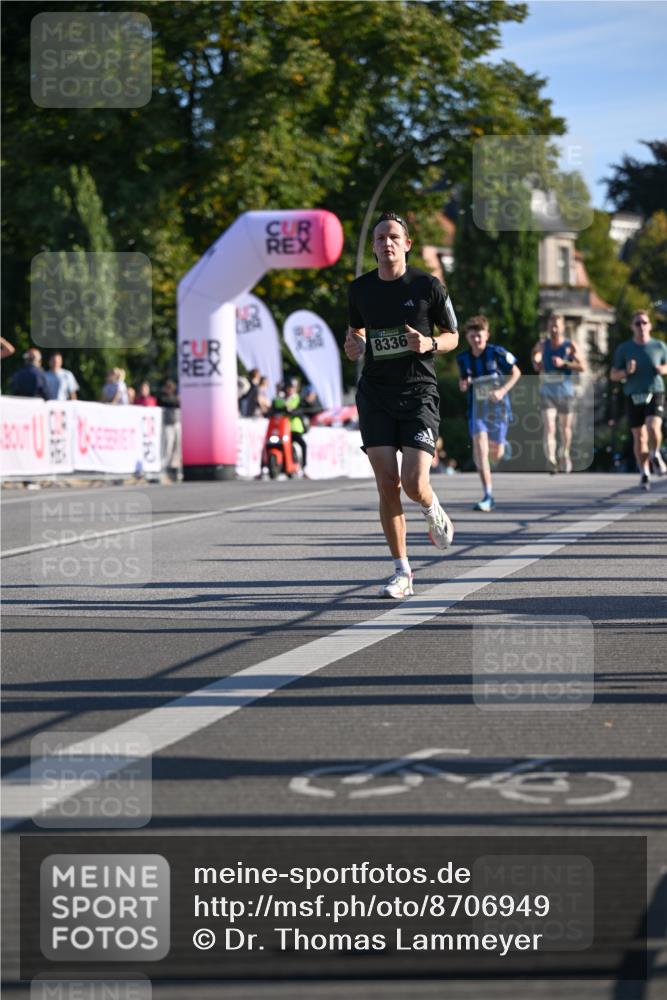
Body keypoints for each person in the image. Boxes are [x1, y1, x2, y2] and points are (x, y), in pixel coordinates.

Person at [344, 210, 458, 599]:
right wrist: (353, 344)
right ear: (374, 247)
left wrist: (429, 344)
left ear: (407, 244)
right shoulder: (360, 289)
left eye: (393, 236)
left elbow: (453, 336)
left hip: (418, 393)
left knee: (412, 482)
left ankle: (431, 507)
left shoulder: (428, 286)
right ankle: (402, 572)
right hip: (375, 393)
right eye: (379, 238)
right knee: (386, 484)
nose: (386, 243)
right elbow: (355, 330)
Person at [457, 315, 521, 511]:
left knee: (496, 454)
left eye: (479, 335)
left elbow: (516, 372)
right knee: (480, 450)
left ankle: (503, 445)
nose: (476, 339)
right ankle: (488, 495)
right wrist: (463, 384)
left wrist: (502, 391)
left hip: (498, 410)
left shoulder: (497, 353)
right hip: (477, 411)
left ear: (487, 335)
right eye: (472, 335)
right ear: (467, 336)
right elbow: (463, 382)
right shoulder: (463, 358)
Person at [610, 310, 667, 490]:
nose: (641, 326)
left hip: (655, 391)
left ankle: (655, 453)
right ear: (632, 327)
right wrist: (626, 372)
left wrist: (663, 369)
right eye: (637, 323)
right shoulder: (624, 349)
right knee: (639, 436)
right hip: (633, 394)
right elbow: (613, 375)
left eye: (644, 323)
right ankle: (644, 472)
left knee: (653, 426)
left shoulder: (659, 346)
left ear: (649, 325)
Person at [531, 312, 585, 473]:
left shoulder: (570, 345)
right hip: (547, 392)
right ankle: (551, 459)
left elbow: (582, 367)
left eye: (556, 326)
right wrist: (537, 361)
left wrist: (565, 363)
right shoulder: (542, 344)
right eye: (551, 325)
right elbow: (535, 361)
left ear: (562, 328)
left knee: (565, 428)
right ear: (548, 327)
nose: (553, 329)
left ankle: (565, 453)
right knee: (549, 427)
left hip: (566, 392)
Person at [273, 377, 308, 473]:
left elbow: (299, 409)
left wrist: (291, 411)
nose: (290, 390)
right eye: (288, 387)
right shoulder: (281, 398)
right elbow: (276, 406)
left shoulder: (296, 398)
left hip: (294, 428)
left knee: (303, 445)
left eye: (292, 388)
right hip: (282, 428)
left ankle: (304, 467)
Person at [159, 378, 181, 479]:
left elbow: (178, 404)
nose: (170, 389)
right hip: (167, 424)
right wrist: (176, 399)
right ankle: (164, 467)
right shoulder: (163, 397)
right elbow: (169, 402)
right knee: (168, 446)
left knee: (177, 446)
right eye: (168, 387)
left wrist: (177, 399)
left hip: (176, 423)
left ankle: (175, 467)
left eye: (171, 387)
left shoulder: (174, 396)